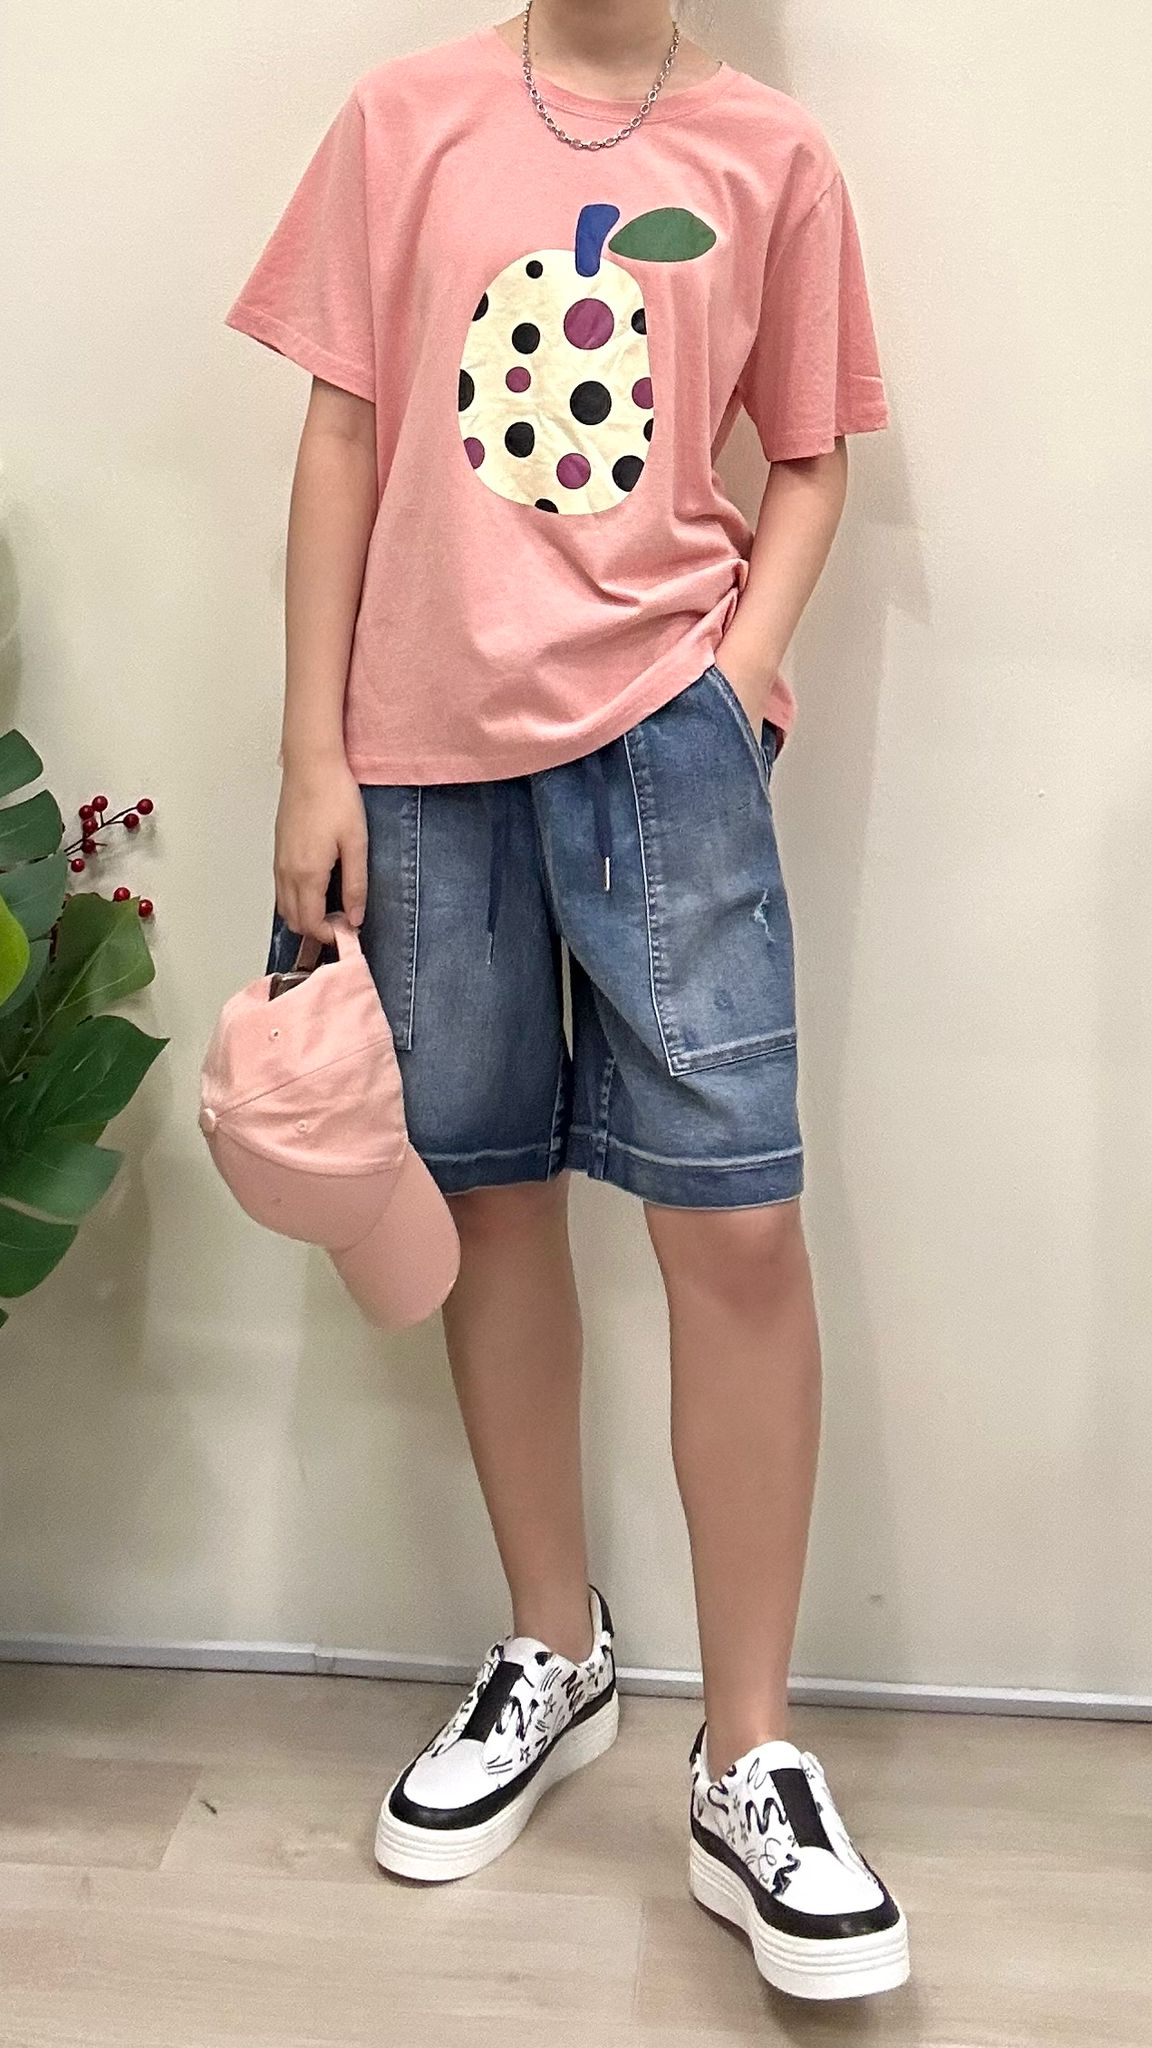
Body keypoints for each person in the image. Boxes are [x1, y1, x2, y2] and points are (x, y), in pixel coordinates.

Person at [224, 0, 909, 2002]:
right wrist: (311, 756)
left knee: (739, 1218)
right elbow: (343, 434)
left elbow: (811, 457)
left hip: (664, 742)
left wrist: (738, 674)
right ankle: (556, 1642)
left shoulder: (769, 158)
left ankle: (750, 1750)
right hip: (419, 760)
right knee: (489, 1191)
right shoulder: (404, 119)